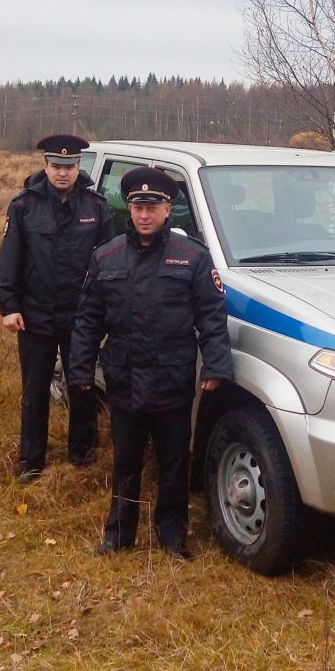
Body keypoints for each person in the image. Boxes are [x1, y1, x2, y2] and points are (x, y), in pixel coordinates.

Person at [69, 166, 233, 559]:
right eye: (137, 206)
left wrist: (215, 365)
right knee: (125, 460)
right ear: (129, 209)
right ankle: (119, 534)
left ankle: (173, 535)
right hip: (124, 378)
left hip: (172, 379)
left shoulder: (192, 257)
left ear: (166, 209)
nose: (144, 214)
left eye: (153, 205)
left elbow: (211, 315)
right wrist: (80, 369)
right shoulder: (105, 256)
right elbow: (88, 319)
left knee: (174, 462)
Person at [0, 134, 114, 483]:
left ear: (79, 168)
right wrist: (9, 306)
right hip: (35, 315)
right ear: (45, 166)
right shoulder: (23, 206)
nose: (63, 173)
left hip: (80, 316)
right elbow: (9, 261)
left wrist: (104, 310)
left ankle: (83, 455)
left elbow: (107, 264)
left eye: (70, 166)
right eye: (57, 166)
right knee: (35, 391)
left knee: (82, 386)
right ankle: (31, 462)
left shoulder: (97, 208)